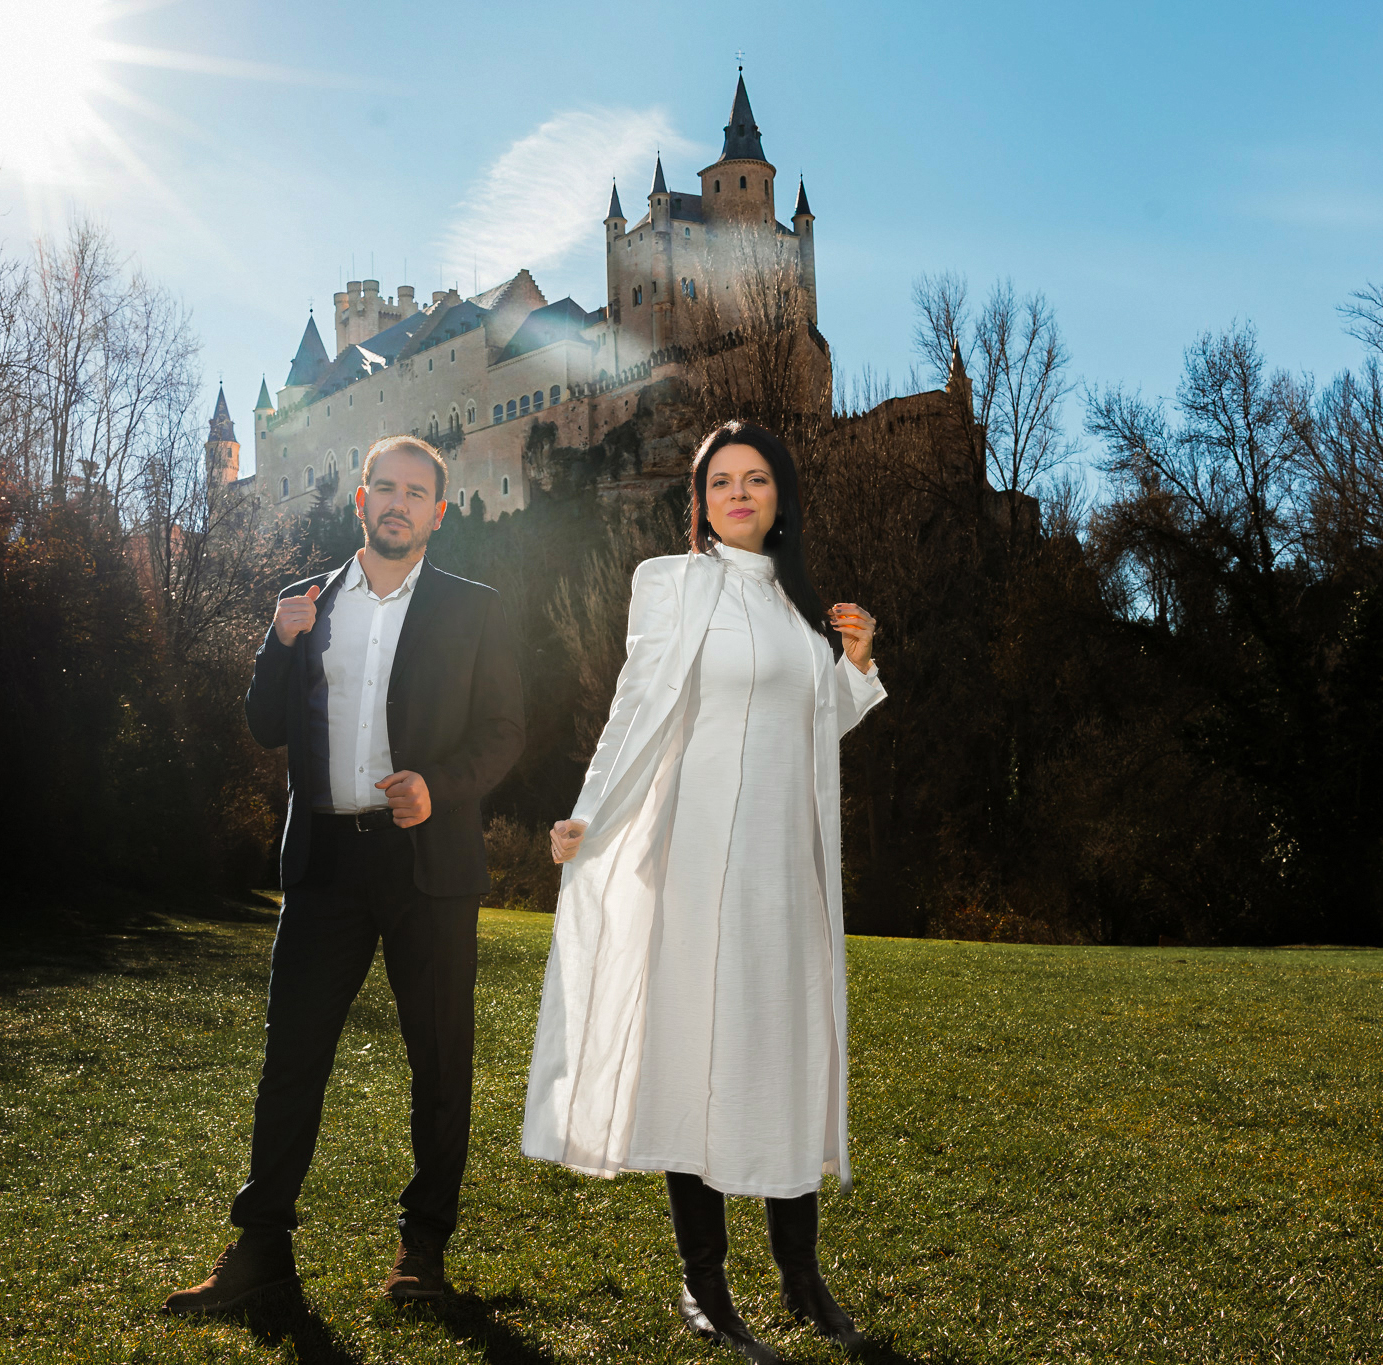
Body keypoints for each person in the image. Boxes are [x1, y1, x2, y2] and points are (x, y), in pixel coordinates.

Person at [522, 420, 885, 1362]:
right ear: (701, 498)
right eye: (721, 480)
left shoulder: (802, 610)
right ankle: (705, 1278)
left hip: (787, 870)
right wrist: (588, 812)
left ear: (781, 498)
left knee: (787, 1051)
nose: (738, 494)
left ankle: (802, 1279)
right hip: (698, 862)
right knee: (699, 1054)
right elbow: (635, 709)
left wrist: (854, 667)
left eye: (756, 479)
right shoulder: (676, 586)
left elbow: (810, 731)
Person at [164, 435, 524, 1315]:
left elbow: (507, 731)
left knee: (441, 1062)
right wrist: (275, 644)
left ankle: (422, 1252)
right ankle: (261, 1252)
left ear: (439, 512)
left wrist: (439, 788)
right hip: (323, 862)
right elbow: (261, 726)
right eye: (385, 488)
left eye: (417, 492)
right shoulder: (307, 603)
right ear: (359, 499)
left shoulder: (475, 609)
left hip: (427, 866)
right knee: (291, 1056)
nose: (398, 503)